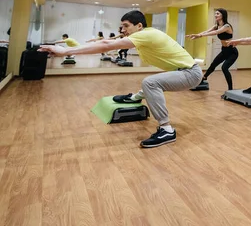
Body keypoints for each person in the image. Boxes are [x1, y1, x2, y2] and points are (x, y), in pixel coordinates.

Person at [39, 11, 203, 148]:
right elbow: (105, 42)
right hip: (181, 71)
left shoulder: (147, 34)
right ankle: (134, 97)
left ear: (139, 26)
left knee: (150, 82)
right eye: (122, 26)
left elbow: (105, 45)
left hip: (190, 73)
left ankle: (167, 130)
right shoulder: (142, 36)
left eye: (126, 26)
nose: (122, 29)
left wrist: (65, 52)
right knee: (152, 83)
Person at [186, 8, 238, 90]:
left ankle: (230, 89)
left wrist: (200, 36)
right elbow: (207, 31)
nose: (215, 15)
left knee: (224, 68)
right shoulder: (216, 26)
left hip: (232, 52)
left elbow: (216, 32)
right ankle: (204, 78)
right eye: (215, 13)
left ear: (222, 15)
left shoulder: (227, 26)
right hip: (224, 50)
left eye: (217, 13)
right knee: (213, 64)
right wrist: (197, 35)